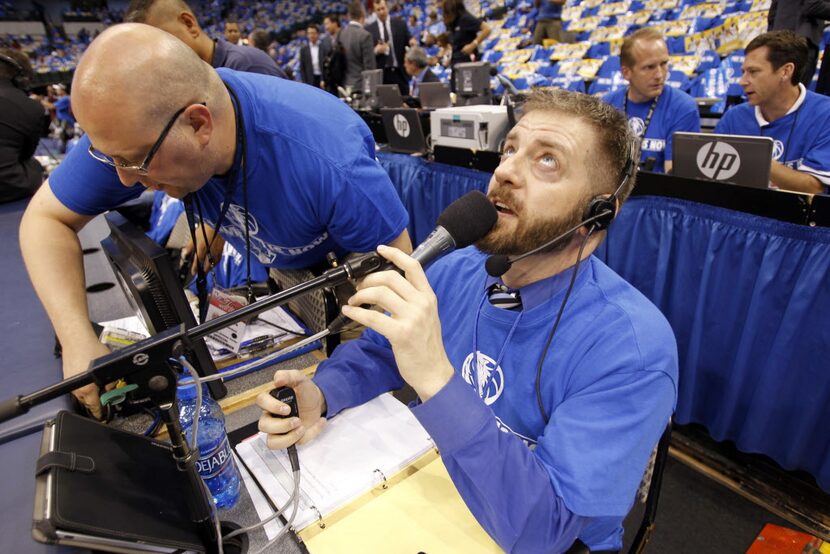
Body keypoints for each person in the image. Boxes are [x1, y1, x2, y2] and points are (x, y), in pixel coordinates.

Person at [256, 88, 678, 553]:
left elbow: (546, 531)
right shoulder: (456, 269)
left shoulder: (633, 348)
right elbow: (382, 351)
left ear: (597, 213)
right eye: (510, 149)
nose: (506, 171)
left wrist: (437, 377)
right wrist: (323, 393)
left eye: (547, 161)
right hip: (438, 489)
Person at [19, 24, 412, 419]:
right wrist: (75, 340)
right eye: (113, 160)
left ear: (199, 124)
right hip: (290, 280)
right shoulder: (136, 127)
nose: (123, 179)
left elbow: (401, 302)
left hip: (351, 281)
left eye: (134, 161)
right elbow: (44, 219)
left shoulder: (328, 159)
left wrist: (330, 390)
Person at [714, 31, 830, 193]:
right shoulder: (734, 117)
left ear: (786, 71)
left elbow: (815, 187)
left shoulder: (825, 114)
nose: (743, 81)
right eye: (743, 72)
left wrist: (751, 155)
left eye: (753, 72)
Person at [603, 27, 700, 173]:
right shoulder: (606, 106)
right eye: (649, 67)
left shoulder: (683, 108)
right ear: (626, 72)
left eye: (663, 64)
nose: (660, 75)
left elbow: (675, 178)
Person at [125, 0, 286, 78]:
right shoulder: (192, 76)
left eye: (159, 42)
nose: (157, 56)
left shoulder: (248, 66)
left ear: (189, 24)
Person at [0, 48, 47, 203]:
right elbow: (25, 154)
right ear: (21, 78)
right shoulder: (32, 108)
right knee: (35, 165)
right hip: (10, 186)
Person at [768, 0, 830, 88]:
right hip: (801, 43)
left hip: (778, 40)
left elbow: (773, 13)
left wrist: (772, 37)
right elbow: (813, 5)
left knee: (775, 90)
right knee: (793, 93)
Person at [365, 0, 410, 95]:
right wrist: (376, 50)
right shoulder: (369, 29)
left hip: (399, 72)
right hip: (381, 74)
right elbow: (366, 54)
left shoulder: (400, 24)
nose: (381, 12)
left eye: (383, 8)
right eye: (378, 10)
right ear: (374, 11)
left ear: (387, 8)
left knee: (405, 101)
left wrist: (412, 42)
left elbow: (409, 41)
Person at [442, 0, 490, 89]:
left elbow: (486, 29)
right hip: (455, 62)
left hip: (467, 62)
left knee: (467, 90)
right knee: (454, 90)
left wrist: (473, 44)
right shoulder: (452, 23)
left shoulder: (465, 18)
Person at [339, 0, 376, 92]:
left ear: (349, 16)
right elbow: (369, 68)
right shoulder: (365, 35)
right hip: (361, 87)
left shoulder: (341, 34)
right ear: (363, 14)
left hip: (345, 85)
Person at [299, 24, 331, 88]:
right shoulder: (303, 50)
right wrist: (305, 82)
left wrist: (324, 79)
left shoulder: (324, 48)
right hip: (310, 80)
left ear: (318, 34)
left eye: (313, 33)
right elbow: (302, 68)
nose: (311, 35)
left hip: (323, 79)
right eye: (309, 33)